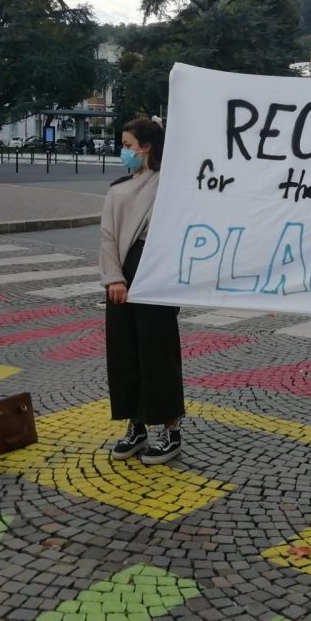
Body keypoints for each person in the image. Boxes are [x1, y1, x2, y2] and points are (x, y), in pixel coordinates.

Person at [99, 117, 185, 464]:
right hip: (124, 271)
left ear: (146, 147)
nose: (124, 151)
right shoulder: (119, 188)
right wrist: (113, 278)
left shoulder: (171, 183)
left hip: (157, 271)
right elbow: (107, 236)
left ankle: (171, 429)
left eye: (128, 145)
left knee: (158, 351)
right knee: (124, 352)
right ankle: (135, 425)